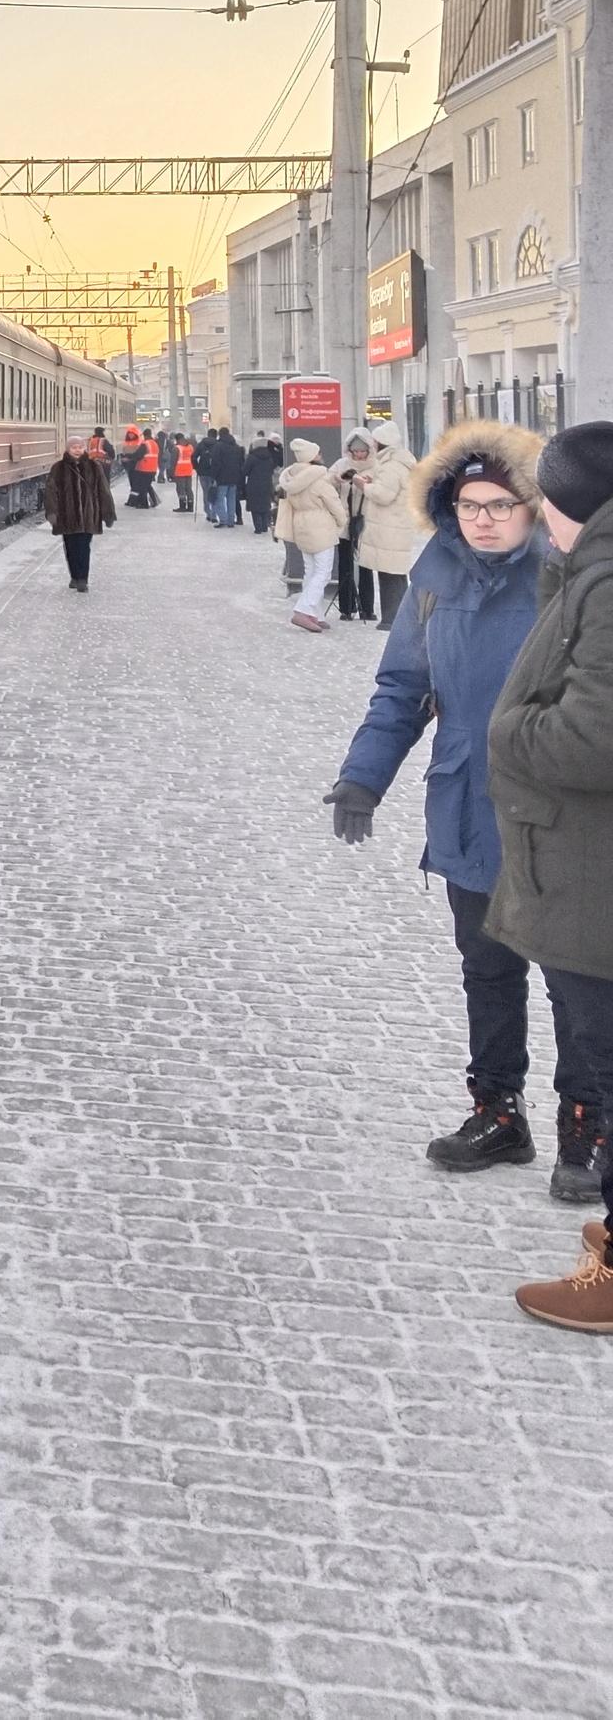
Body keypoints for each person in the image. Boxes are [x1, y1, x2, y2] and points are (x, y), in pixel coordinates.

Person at [326, 422, 602, 1203]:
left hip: (555, 819)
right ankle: (497, 1112)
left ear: (533, 505)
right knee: (489, 970)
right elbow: (403, 688)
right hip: (468, 810)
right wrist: (362, 778)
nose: (483, 518)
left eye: (500, 504)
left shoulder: (568, 578)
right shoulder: (437, 570)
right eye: (469, 504)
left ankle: (586, 1128)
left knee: (574, 981)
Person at [485, 422, 613, 1327]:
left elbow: (593, 734)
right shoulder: (587, 576)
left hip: (592, 877)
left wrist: (508, 733)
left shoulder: (606, 585)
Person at [274, 437, 347, 630]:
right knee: (323, 573)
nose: (321, 456)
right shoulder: (320, 479)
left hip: (302, 528)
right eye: (318, 453)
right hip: (321, 528)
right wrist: (341, 522)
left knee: (311, 571)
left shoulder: (292, 479)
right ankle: (303, 610)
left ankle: (316, 614)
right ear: (312, 457)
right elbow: (334, 505)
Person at [354, 433, 418, 631]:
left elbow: (383, 495)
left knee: (388, 574)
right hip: (397, 526)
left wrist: (363, 485)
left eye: (374, 442)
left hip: (388, 528)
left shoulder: (390, 467)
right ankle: (402, 617)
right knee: (396, 574)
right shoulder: (402, 463)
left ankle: (391, 619)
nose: (372, 446)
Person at [44, 429, 116, 592]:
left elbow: (103, 490)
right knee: (70, 547)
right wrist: (52, 512)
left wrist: (108, 513)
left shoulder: (93, 466)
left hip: (88, 515)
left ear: (84, 448)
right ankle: (74, 576)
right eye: (73, 447)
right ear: (68, 449)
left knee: (84, 547)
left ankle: (83, 579)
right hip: (66, 515)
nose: (77, 450)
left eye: (80, 447)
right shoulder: (59, 468)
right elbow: (51, 491)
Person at [332, 434, 378, 622]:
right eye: (356, 451)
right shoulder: (341, 464)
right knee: (345, 564)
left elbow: (380, 490)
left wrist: (368, 484)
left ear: (369, 450)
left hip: (366, 520)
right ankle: (346, 608)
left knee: (366, 564)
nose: (359, 455)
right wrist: (338, 479)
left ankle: (367, 608)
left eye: (362, 451)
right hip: (345, 519)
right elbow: (328, 483)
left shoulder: (377, 466)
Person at [203, 424, 246, 529]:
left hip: (222, 477)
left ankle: (223, 520)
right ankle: (231, 521)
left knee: (219, 498)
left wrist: (213, 476)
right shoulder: (236, 447)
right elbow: (241, 463)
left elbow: (215, 463)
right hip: (234, 477)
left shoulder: (218, 446)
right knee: (231, 499)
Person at [242, 433, 281, 536]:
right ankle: (265, 526)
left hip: (253, 485)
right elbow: (272, 468)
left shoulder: (251, 458)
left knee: (255, 507)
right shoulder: (269, 457)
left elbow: (245, 471)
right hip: (267, 484)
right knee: (265, 505)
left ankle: (258, 527)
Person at [170, 429, 197, 513]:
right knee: (189, 489)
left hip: (179, 471)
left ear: (177, 439)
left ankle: (182, 506)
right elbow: (193, 458)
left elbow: (173, 462)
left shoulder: (176, 448)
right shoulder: (190, 447)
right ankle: (190, 506)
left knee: (181, 489)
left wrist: (171, 473)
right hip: (188, 470)